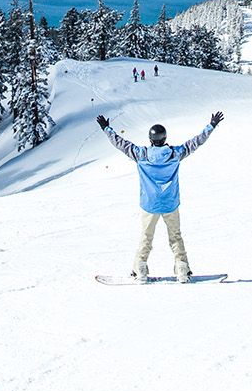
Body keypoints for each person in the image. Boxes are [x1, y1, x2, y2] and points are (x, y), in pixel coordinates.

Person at [96, 111, 224, 282]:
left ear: (151, 140)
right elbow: (195, 142)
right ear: (164, 139)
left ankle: (140, 269)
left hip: (149, 205)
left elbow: (121, 143)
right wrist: (211, 125)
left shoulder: (141, 154)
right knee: (175, 236)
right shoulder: (174, 154)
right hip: (170, 203)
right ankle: (182, 269)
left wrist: (106, 128)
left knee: (146, 237)